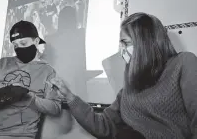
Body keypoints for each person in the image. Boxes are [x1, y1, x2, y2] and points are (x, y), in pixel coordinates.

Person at [50, 12, 197, 139]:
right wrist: (69, 96)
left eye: (125, 43)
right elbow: (103, 126)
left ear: (145, 42)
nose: (122, 51)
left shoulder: (183, 64)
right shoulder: (128, 90)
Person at [0, 20, 62, 139]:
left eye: (23, 43)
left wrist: (30, 98)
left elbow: (55, 108)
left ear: (36, 41)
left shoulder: (47, 71)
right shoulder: (3, 63)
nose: (19, 48)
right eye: (15, 45)